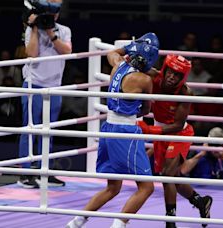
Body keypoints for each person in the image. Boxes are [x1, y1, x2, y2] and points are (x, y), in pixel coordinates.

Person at [65, 33, 160, 228]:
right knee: (146, 187)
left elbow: (113, 52)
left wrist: (132, 46)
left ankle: (75, 223)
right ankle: (118, 226)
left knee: (113, 187)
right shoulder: (144, 80)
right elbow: (146, 110)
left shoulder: (117, 65)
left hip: (107, 128)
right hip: (124, 131)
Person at [137, 55, 212, 228]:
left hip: (179, 133)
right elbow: (136, 66)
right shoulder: (154, 77)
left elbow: (178, 125)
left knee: (167, 175)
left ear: (182, 77)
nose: (172, 77)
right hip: (160, 132)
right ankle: (201, 202)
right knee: (173, 177)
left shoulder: (185, 93)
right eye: (171, 72)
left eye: (177, 75)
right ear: (165, 70)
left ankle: (170, 220)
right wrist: (130, 55)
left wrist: (150, 130)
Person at [18, 0, 72, 188]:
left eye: (55, 11)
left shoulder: (64, 30)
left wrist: (51, 33)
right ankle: (25, 173)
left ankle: (44, 171)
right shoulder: (31, 30)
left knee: (48, 131)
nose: (52, 15)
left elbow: (66, 51)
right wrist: (34, 28)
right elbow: (31, 54)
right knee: (30, 129)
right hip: (34, 84)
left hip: (54, 86)